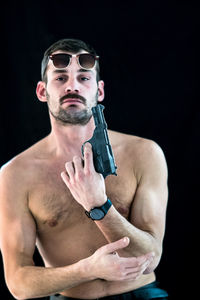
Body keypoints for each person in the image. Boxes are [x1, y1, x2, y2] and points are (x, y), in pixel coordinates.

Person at [0, 38, 168, 300]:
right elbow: (18, 282)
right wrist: (86, 269)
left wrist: (99, 205)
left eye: (84, 78)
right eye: (60, 78)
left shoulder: (144, 153)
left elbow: (150, 257)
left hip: (140, 294)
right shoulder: (16, 173)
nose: (72, 86)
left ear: (99, 91)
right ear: (42, 91)